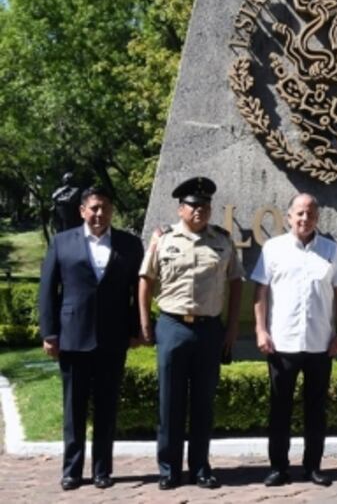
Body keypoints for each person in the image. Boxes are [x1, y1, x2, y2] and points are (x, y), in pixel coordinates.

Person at [138, 177, 244, 490]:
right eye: (194, 205)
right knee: (169, 402)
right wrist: (146, 322)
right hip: (172, 325)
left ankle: (200, 467)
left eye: (206, 205)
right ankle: (168, 469)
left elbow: (236, 282)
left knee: (203, 403)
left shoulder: (223, 240)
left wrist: (233, 326)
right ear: (181, 208)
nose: (201, 210)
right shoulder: (164, 239)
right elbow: (146, 279)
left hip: (210, 328)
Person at [37, 185, 144, 490]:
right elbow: (47, 291)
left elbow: (136, 292)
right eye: (94, 208)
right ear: (82, 210)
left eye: (105, 208)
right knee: (74, 409)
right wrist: (50, 333)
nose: (99, 214)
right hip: (73, 337)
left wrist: (137, 328)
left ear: (112, 211)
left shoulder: (129, 244)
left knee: (107, 408)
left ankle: (102, 470)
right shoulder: (62, 242)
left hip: (112, 338)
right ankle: (72, 470)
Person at [251, 193, 337, 487]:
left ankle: (313, 467)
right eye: (300, 214)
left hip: (320, 343)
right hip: (282, 343)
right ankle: (278, 468)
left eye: (310, 214)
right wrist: (260, 330)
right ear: (288, 216)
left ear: (317, 218)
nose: (305, 219)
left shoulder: (331, 251)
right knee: (280, 409)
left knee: (316, 411)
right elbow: (260, 293)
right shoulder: (273, 249)